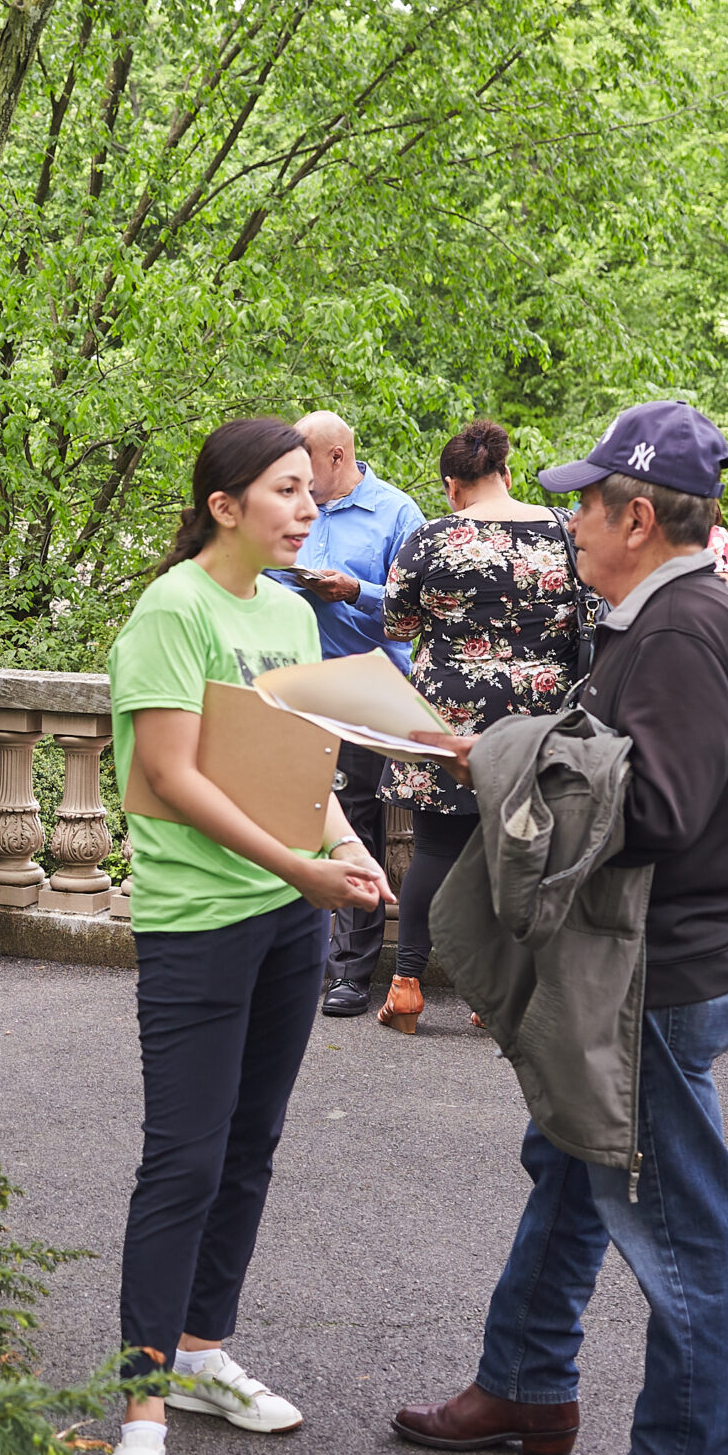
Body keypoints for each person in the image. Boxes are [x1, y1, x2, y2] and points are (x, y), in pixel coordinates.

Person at [394, 401, 728, 1455]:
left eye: (583, 507)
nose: (569, 527)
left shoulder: (681, 629)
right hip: (635, 967)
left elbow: (652, 807)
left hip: (649, 976)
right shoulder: (667, 620)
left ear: (638, 517)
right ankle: (523, 1387)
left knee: (679, 1235)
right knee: (565, 1172)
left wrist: (501, 754)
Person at [97, 417, 393, 1455]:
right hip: (198, 921)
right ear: (224, 505)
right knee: (181, 1160)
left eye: (311, 487)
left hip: (287, 918)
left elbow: (299, 773)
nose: (309, 504)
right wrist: (301, 871)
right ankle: (137, 1418)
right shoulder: (171, 609)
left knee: (251, 1145)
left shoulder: (288, 613)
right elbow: (173, 777)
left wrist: (348, 860)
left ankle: (199, 1353)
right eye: (284, 489)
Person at [374, 420, 589, 1034]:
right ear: (507, 474)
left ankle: (408, 985)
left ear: (452, 486)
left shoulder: (431, 538)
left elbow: (396, 624)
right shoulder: (561, 533)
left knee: (435, 851)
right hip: (536, 715)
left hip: (448, 713)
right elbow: (590, 614)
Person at [265, 410, 425, 1019]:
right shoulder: (292, 507)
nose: (299, 483)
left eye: (307, 467)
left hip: (361, 689)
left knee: (355, 822)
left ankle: (351, 973)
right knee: (290, 817)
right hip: (293, 680)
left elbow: (418, 606)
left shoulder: (397, 513)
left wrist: (354, 591)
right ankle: (296, 958)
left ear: (336, 457)